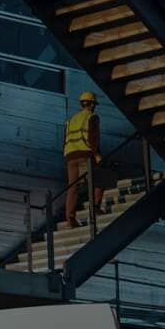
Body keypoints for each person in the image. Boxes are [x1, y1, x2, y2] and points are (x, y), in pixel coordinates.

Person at [62, 91, 101, 229]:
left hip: (70, 157)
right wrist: (97, 154)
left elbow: (65, 140)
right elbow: (93, 137)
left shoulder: (70, 120)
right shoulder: (92, 117)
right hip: (85, 155)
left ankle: (70, 219)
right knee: (100, 179)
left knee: (72, 188)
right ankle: (95, 207)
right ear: (92, 104)